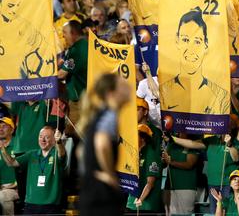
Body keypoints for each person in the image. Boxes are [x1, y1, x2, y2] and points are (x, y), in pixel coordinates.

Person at [78, 73, 132, 216]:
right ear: (111, 93)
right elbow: (101, 143)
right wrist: (110, 175)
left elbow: (80, 151)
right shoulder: (110, 115)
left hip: (92, 193)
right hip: (100, 197)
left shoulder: (99, 115)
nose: (129, 87)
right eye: (122, 85)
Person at [159, 9, 229, 114]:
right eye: (185, 40)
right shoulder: (163, 92)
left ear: (206, 45)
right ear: (177, 41)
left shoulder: (221, 96)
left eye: (197, 41)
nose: (191, 50)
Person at [1, 126, 66, 214]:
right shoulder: (32, 154)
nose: (43, 140)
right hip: (30, 204)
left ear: (53, 139)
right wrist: (2, 149)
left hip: (51, 205)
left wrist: (59, 142)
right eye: (40, 136)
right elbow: (11, 163)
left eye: (47, 137)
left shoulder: (56, 153)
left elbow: (61, 154)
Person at [126, 124, 162, 213]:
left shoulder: (151, 154)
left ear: (143, 138)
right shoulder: (136, 154)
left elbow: (150, 183)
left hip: (145, 206)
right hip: (132, 204)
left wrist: (140, 200)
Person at [58, 20, 88, 129]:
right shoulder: (86, 45)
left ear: (73, 33)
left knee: (75, 133)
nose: (63, 36)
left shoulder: (77, 50)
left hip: (80, 101)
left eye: (65, 32)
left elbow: (62, 74)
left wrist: (47, 75)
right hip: (85, 97)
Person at [162, 133, 200, 215]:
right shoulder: (171, 145)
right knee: (169, 214)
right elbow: (164, 164)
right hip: (169, 187)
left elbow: (189, 164)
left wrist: (171, 162)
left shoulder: (193, 144)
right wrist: (162, 159)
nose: (178, 132)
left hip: (186, 188)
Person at [0, 117, 18, 214]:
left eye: (4, 126)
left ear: (12, 129)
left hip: (13, 188)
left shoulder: (18, 144)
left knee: (2, 197)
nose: (0, 129)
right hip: (1, 187)